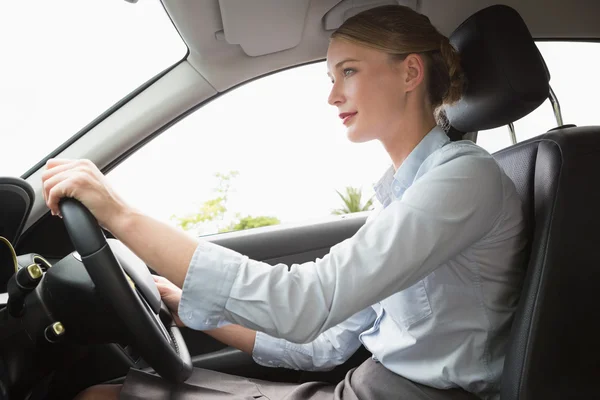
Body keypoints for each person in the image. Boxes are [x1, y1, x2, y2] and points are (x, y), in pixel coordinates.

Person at [42, 5, 527, 400]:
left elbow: (302, 304)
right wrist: (180, 306)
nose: (333, 95)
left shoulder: (465, 177)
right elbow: (322, 343)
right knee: (113, 393)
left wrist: (120, 215)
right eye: (330, 78)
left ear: (411, 73)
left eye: (349, 72)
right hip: (365, 388)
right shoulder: (402, 196)